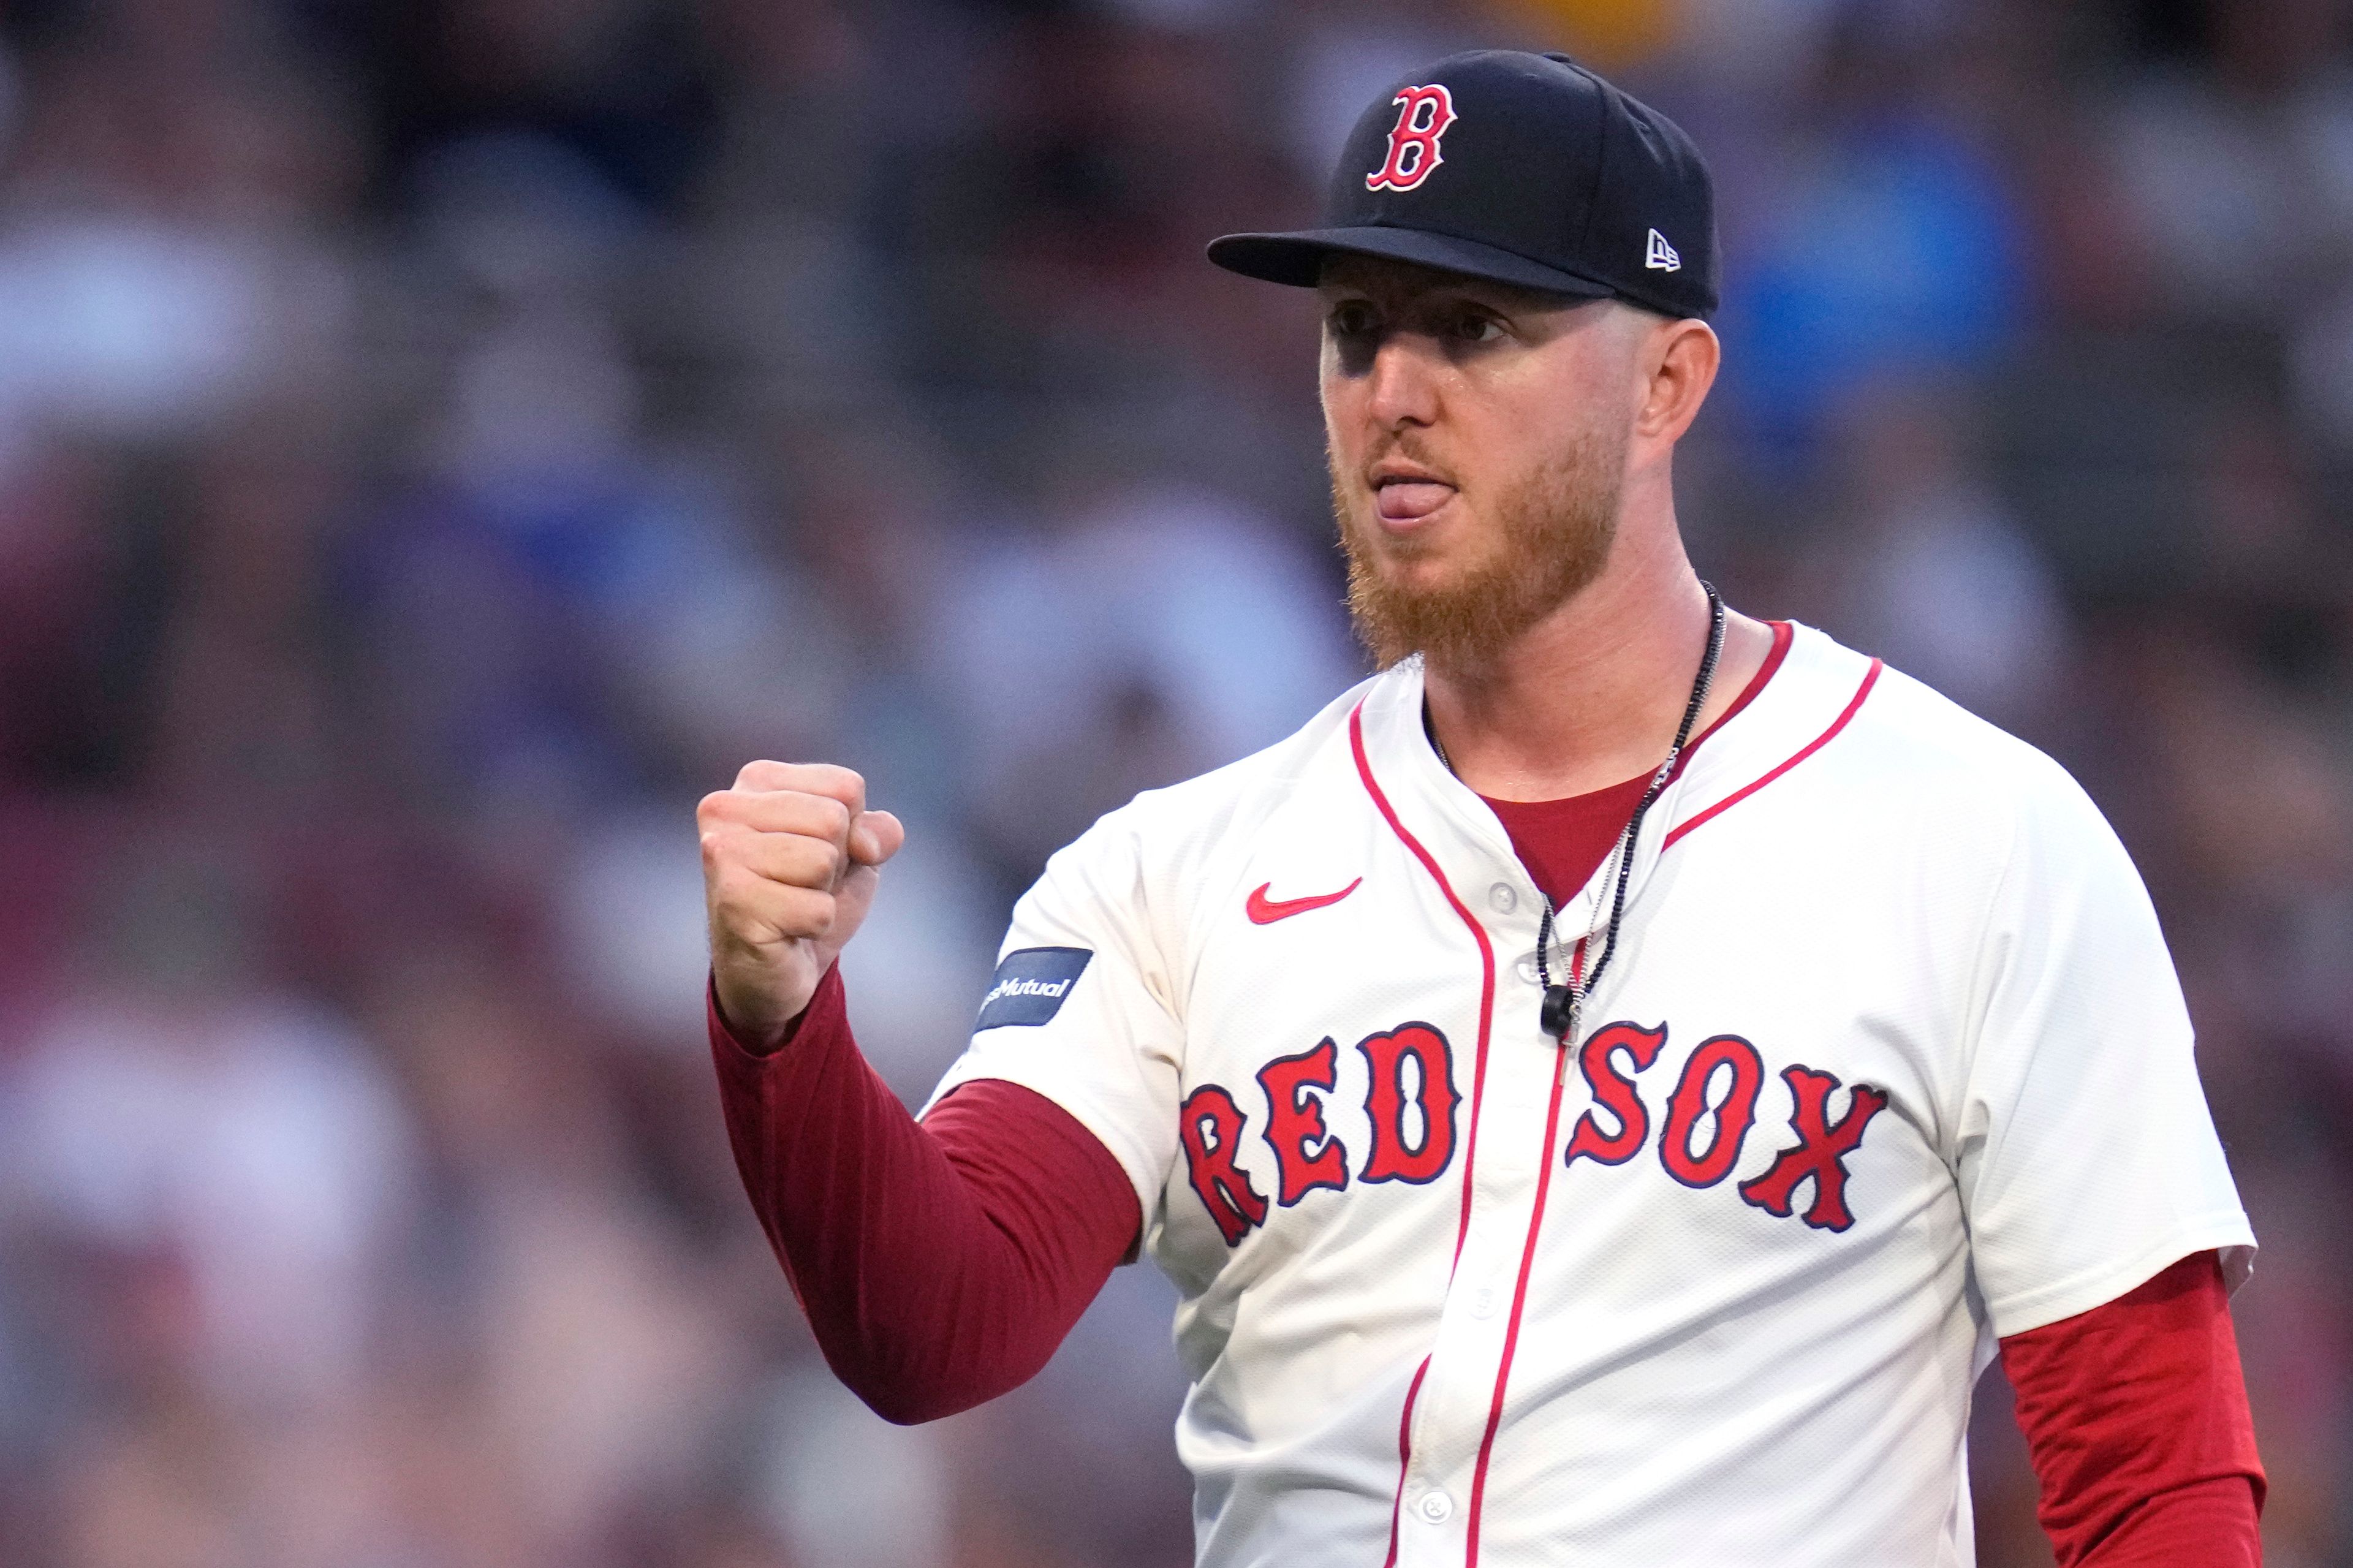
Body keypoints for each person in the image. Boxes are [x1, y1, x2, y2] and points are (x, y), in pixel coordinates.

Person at [696, 50, 2263, 1566]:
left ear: (1668, 380)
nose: (1396, 391)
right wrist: (784, 1027)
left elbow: (2156, 1482)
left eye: (1475, 326)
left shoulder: (1978, 840)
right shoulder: (1173, 874)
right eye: (1358, 329)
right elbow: (934, 1322)